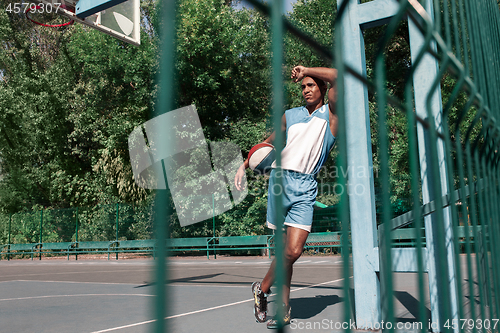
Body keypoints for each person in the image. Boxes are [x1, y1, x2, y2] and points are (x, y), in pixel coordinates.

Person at [234, 66, 338, 328]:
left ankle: (262, 289)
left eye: (311, 85)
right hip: (280, 183)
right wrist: (244, 165)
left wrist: (305, 69)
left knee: (292, 251)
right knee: (283, 254)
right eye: (303, 86)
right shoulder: (289, 116)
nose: (305, 90)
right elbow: (266, 146)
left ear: (323, 89)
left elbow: (339, 75)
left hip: (305, 186)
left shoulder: (332, 115)